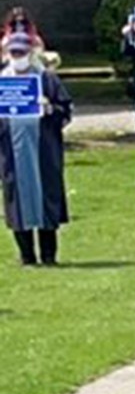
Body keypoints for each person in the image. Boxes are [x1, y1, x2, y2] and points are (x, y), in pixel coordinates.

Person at [1, 30, 73, 266]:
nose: (18, 56)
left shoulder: (46, 79)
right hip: (12, 151)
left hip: (43, 150)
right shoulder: (3, 81)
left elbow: (66, 110)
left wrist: (51, 108)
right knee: (17, 199)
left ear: (30, 53)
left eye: (22, 52)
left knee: (46, 197)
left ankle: (49, 254)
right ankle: (27, 255)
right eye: (14, 52)